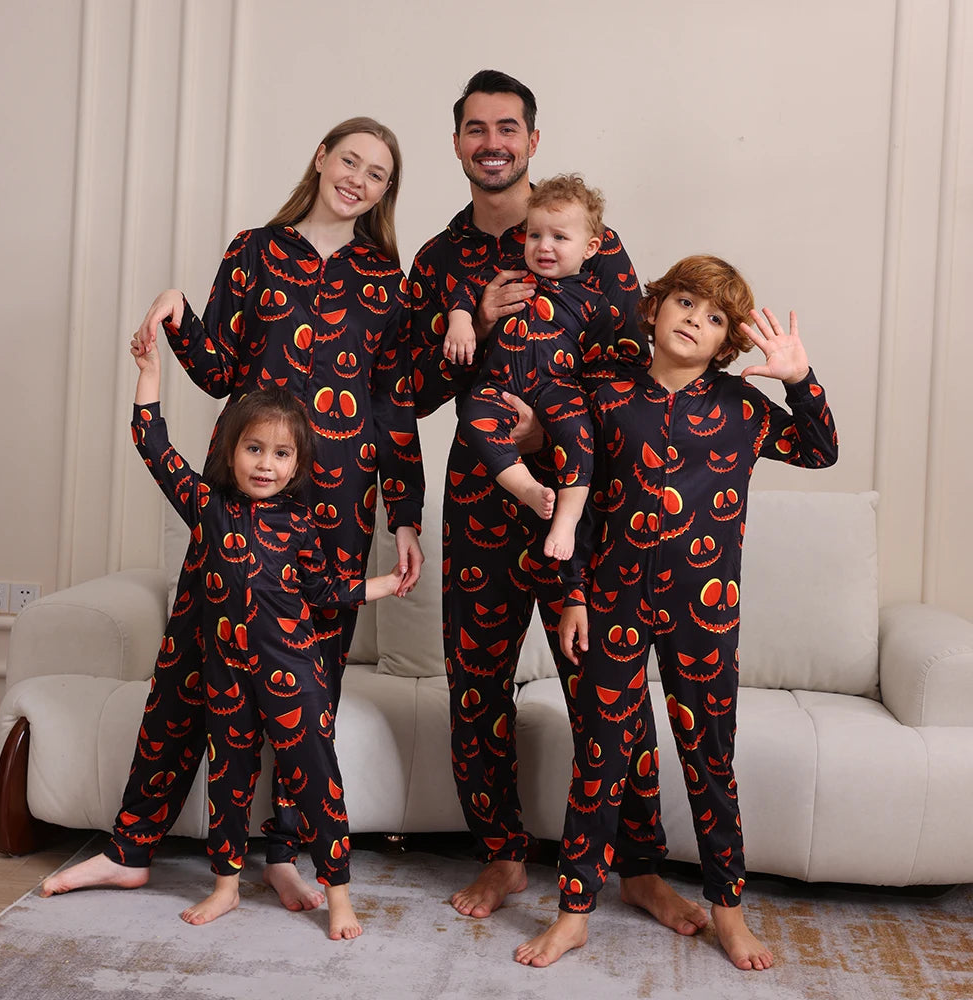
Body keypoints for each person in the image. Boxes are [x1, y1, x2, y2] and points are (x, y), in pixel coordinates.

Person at [42, 117, 424, 910]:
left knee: (310, 683)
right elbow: (220, 371)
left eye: (377, 173)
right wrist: (178, 310)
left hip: (342, 503)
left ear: (386, 192)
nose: (357, 179)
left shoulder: (387, 280)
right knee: (188, 662)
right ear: (320, 157)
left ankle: (283, 853)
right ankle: (130, 847)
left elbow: (393, 405)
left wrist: (406, 515)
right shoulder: (254, 251)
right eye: (349, 160)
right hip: (240, 495)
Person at [409, 70, 707, 936]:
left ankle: (639, 867)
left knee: (608, 691)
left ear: (532, 141)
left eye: (507, 127)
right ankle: (503, 853)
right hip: (480, 503)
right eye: (475, 128)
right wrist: (477, 326)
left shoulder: (592, 241)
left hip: (584, 507)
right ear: (457, 142)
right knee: (476, 687)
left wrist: (551, 432)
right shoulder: (438, 259)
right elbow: (414, 390)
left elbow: (632, 366)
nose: (491, 142)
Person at [517, 255, 838, 970]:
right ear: (656, 308)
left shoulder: (743, 409)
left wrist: (799, 379)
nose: (695, 319)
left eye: (715, 316)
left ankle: (729, 912)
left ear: (727, 342)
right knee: (599, 755)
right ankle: (574, 913)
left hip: (703, 611)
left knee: (709, 757)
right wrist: (573, 595)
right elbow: (575, 499)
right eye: (685, 302)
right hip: (612, 601)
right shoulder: (604, 396)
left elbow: (821, 451)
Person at [128, 343, 403, 935]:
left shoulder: (300, 523)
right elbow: (154, 447)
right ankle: (226, 886)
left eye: (281, 454)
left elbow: (324, 589)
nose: (265, 465)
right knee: (228, 777)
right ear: (231, 451)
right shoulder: (207, 506)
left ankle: (339, 895)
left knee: (317, 777)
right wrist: (150, 373)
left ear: (297, 464)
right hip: (225, 674)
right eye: (254, 449)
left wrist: (382, 584)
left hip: (295, 671)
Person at [441, 174, 618, 560]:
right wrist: (461, 321)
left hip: (556, 387)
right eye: (535, 235)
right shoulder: (509, 275)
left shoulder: (594, 302)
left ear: (590, 247)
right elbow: (464, 289)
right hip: (498, 386)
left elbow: (602, 368)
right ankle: (525, 487)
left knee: (579, 431)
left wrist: (582, 409)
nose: (544, 246)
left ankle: (567, 520)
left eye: (559, 237)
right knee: (472, 414)